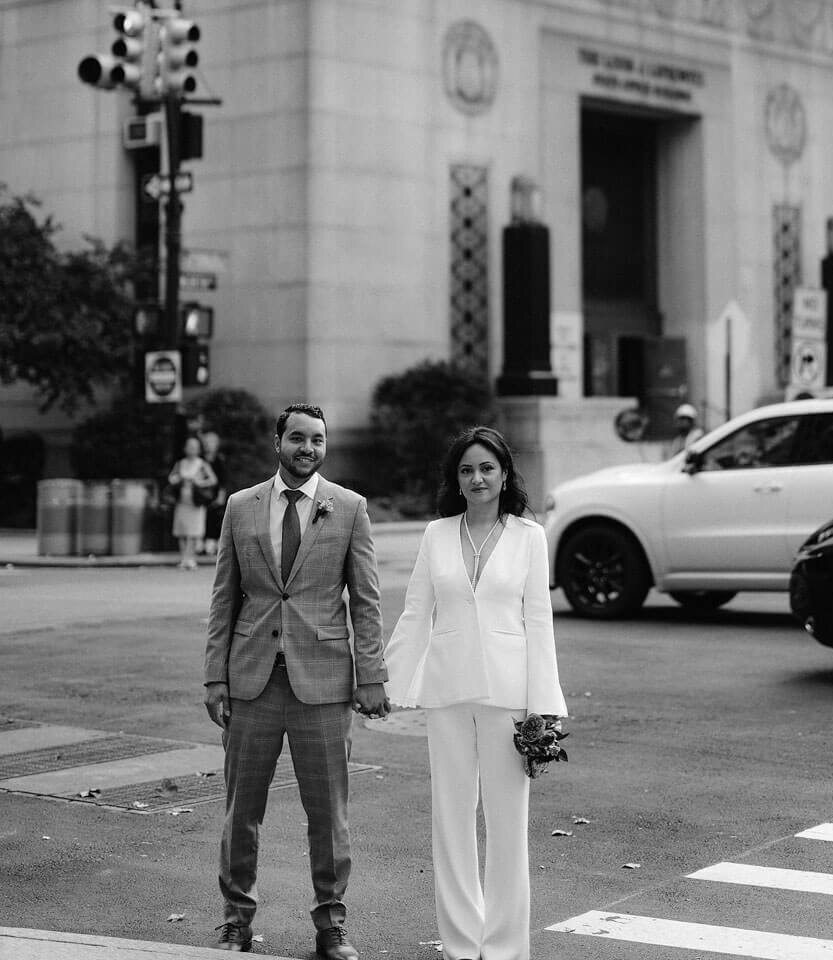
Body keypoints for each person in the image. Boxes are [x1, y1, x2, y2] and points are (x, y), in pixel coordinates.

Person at [203, 403, 389, 958]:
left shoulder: (349, 508)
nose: (308, 448)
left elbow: (367, 600)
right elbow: (223, 598)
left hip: (325, 685)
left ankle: (331, 925)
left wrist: (371, 675)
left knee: (329, 814)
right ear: (277, 441)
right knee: (242, 812)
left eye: (318, 440)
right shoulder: (241, 507)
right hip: (251, 681)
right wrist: (215, 677)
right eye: (298, 439)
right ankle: (237, 920)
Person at [385, 425, 567, 960]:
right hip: (447, 692)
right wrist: (384, 682)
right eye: (467, 469)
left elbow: (540, 620)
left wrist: (545, 705)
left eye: (487, 467)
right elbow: (416, 612)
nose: (477, 477)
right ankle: (463, 946)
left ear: (504, 474)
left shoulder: (529, 537)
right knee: (451, 819)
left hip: (510, 697)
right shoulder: (436, 534)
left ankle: (507, 948)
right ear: (456, 480)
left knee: (509, 826)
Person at [168, 433, 218, 570]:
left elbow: (213, 480)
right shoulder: (180, 463)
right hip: (182, 501)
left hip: (196, 502)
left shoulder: (202, 464)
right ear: (185, 448)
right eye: (189, 446)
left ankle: (191, 558)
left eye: (194, 446)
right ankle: (184, 557)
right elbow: (171, 478)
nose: (192, 449)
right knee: (182, 530)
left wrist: (199, 482)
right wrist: (177, 480)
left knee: (193, 531)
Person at [199, 428, 228, 557]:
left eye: (212, 442)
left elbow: (223, 480)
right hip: (201, 494)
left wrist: (221, 496)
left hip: (215, 494)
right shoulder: (200, 459)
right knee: (202, 519)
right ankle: (200, 545)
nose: (209, 445)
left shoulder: (219, 460)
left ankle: (212, 546)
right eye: (207, 442)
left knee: (215, 519)